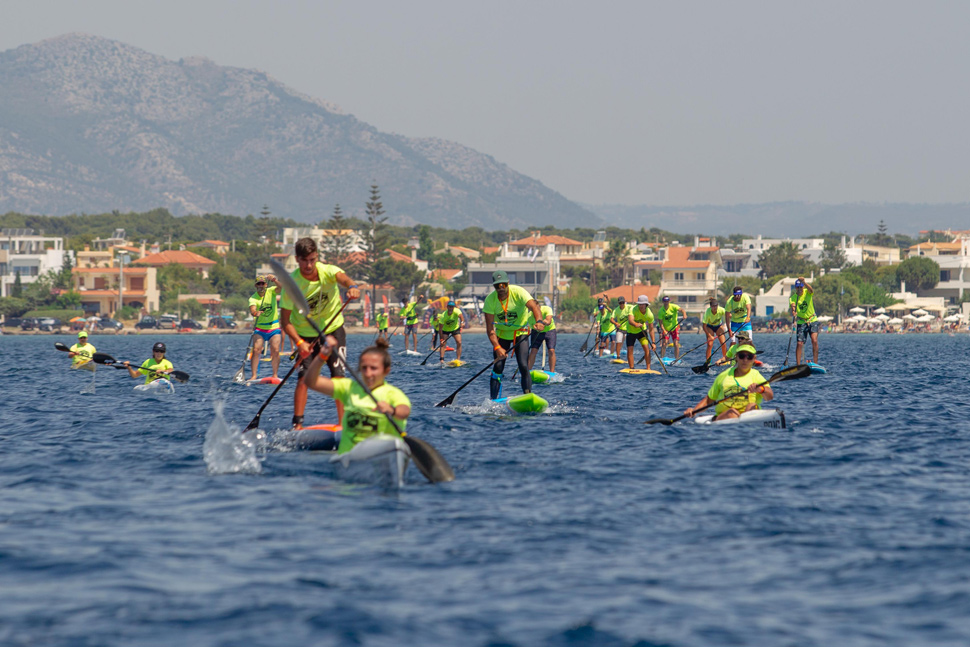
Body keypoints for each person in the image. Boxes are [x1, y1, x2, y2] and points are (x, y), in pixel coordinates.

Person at [280, 237, 360, 429]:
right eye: (305, 260)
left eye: (312, 259)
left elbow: (344, 278)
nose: (309, 265)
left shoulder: (327, 270)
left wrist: (353, 287)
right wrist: (299, 343)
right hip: (305, 336)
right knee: (303, 379)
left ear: (317, 257)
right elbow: (285, 322)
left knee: (338, 376)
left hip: (333, 331)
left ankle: (343, 425)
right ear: (297, 259)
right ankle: (297, 425)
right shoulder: (292, 285)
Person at [304, 336, 410, 454]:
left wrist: (392, 410)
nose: (368, 373)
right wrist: (321, 356)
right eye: (364, 368)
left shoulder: (393, 393)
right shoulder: (348, 388)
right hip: (349, 457)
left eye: (373, 368)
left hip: (381, 455)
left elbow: (404, 411)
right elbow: (311, 382)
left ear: (386, 371)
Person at [483, 270, 544, 398]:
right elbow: (490, 329)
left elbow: (534, 307)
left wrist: (538, 321)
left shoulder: (519, 292)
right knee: (498, 367)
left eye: (503, 285)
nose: (501, 288)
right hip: (502, 334)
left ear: (508, 283)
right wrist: (497, 347)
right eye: (497, 286)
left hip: (520, 332)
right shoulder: (490, 300)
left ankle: (527, 396)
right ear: (494, 286)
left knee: (523, 365)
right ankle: (493, 400)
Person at [684, 342, 773, 421]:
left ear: (754, 359)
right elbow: (709, 400)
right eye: (742, 356)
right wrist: (694, 411)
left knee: (752, 406)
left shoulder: (756, 376)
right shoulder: (723, 376)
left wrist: (761, 389)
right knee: (732, 412)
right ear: (736, 357)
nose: (745, 360)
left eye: (749, 357)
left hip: (749, 416)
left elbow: (769, 397)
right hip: (725, 417)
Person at [248, 274, 283, 381]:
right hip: (260, 328)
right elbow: (252, 309)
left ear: (266, 284)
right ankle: (254, 375)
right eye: (258, 284)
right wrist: (255, 313)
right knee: (257, 350)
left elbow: (281, 288)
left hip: (274, 327)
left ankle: (275, 375)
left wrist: (274, 279)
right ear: (256, 286)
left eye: (263, 284)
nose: (261, 286)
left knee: (275, 350)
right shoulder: (253, 298)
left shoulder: (271, 291)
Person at [790, 277, 819, 365]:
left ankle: (816, 363)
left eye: (801, 287)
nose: (799, 289)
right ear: (795, 288)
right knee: (799, 343)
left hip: (812, 320)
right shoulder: (793, 297)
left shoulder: (807, 292)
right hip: (801, 322)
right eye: (798, 287)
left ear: (803, 287)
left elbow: (811, 290)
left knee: (814, 340)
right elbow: (793, 305)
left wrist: (804, 282)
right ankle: (798, 364)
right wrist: (794, 312)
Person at [625, 295, 656, 370]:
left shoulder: (649, 314)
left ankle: (648, 369)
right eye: (640, 304)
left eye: (643, 304)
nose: (641, 306)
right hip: (631, 331)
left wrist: (653, 342)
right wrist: (636, 324)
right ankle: (631, 368)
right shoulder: (633, 309)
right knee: (630, 349)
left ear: (646, 305)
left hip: (642, 331)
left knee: (646, 349)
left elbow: (651, 329)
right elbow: (630, 320)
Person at [527, 301, 557, 372]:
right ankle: (528, 371)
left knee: (551, 351)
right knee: (533, 351)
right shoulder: (529, 315)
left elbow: (548, 321)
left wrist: (542, 323)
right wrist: (535, 327)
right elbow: (531, 326)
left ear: (539, 306)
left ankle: (552, 372)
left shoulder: (547, 309)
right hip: (537, 332)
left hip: (549, 331)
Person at [702, 296, 729, 364]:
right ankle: (708, 362)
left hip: (718, 326)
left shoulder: (721, 309)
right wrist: (709, 335)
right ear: (711, 306)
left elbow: (728, 314)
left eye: (716, 306)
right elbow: (704, 326)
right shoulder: (707, 312)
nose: (715, 308)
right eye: (713, 306)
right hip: (709, 327)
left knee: (723, 343)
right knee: (710, 344)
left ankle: (725, 359)